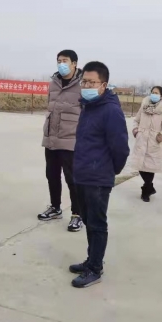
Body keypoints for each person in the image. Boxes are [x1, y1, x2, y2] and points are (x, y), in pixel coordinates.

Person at [69, 61, 129, 288]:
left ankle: (95, 268)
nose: (86, 86)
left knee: (97, 223)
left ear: (103, 85)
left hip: (98, 178)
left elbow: (120, 148)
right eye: (84, 82)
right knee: (88, 220)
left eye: (91, 82)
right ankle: (91, 259)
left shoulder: (110, 111)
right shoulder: (88, 106)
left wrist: (110, 171)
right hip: (82, 174)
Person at [39, 50, 84, 232]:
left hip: (71, 140)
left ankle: (77, 214)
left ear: (74, 63)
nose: (61, 64)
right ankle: (55, 207)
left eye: (65, 61)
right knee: (52, 175)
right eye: (59, 61)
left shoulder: (82, 85)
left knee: (72, 179)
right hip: (51, 138)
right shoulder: (53, 83)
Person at [132, 86, 162, 202]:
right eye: (152, 92)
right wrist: (136, 131)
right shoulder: (144, 106)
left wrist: (161, 135)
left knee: (150, 168)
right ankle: (149, 187)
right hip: (141, 139)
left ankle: (146, 191)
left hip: (154, 141)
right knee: (140, 166)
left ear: (161, 96)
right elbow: (136, 120)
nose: (154, 94)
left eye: (156, 93)